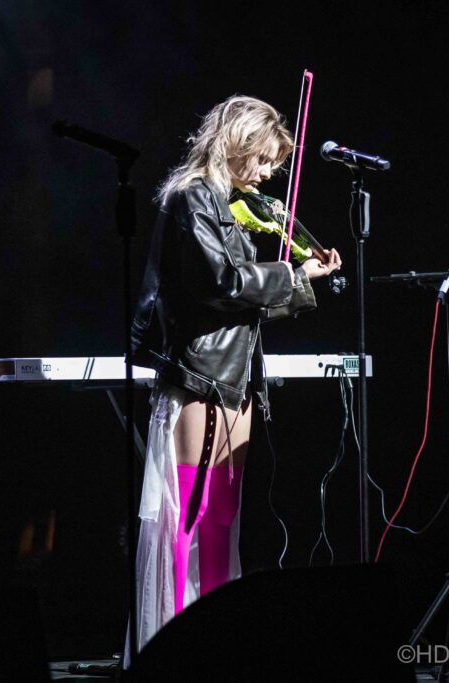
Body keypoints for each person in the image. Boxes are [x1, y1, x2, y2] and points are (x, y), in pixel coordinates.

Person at [128, 95, 342, 652]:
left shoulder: (232, 204)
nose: (268, 173)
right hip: (199, 370)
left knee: (223, 515)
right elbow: (221, 283)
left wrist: (303, 278)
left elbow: (246, 302)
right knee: (189, 516)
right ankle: (174, 640)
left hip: (237, 375)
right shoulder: (192, 197)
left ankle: (220, 639)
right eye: (264, 159)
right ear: (238, 144)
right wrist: (289, 272)